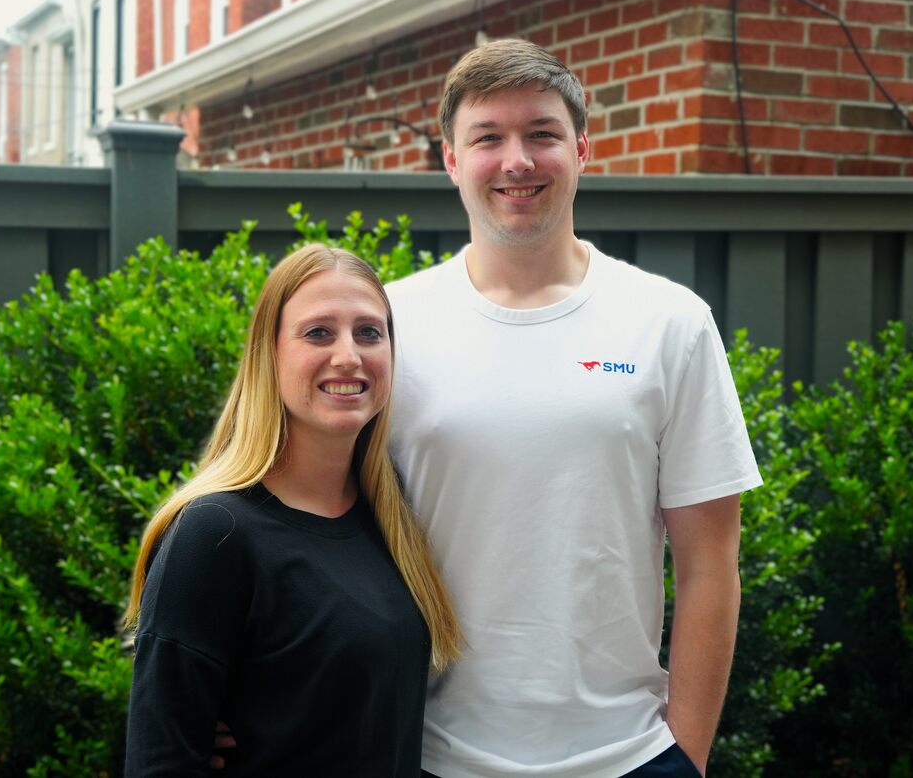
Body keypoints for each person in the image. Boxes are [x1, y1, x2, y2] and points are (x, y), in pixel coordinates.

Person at [384, 39, 762, 777]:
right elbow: (312, 522)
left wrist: (685, 755)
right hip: (428, 755)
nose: (516, 160)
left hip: (629, 757)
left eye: (542, 134)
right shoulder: (391, 326)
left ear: (582, 149)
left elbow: (710, 563)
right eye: (488, 137)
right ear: (451, 160)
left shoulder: (669, 323)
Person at [123, 245, 460, 776]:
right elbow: (161, 760)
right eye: (318, 332)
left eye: (369, 332)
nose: (349, 355)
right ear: (269, 353)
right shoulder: (215, 534)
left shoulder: (391, 519)